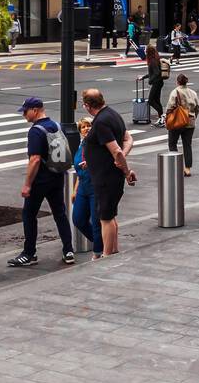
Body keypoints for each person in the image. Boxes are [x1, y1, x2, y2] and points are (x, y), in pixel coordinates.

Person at [10, 96, 75, 268]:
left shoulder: (36, 131)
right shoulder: (56, 125)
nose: (24, 115)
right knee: (60, 214)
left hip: (41, 180)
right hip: (57, 176)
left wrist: (27, 184)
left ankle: (29, 253)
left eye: (25, 111)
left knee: (29, 215)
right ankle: (68, 251)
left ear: (35, 110)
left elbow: (35, 160)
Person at [80, 88, 135, 257]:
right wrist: (92, 160)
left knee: (105, 218)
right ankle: (114, 250)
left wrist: (125, 169)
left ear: (88, 106)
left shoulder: (101, 121)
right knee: (110, 214)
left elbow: (116, 151)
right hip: (108, 174)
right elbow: (128, 140)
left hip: (106, 178)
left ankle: (106, 256)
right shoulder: (113, 114)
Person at [71, 116, 104, 260]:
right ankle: (102, 242)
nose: (86, 129)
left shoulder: (98, 143)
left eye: (89, 126)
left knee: (97, 222)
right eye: (83, 127)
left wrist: (91, 163)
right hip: (83, 187)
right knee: (78, 219)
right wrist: (75, 189)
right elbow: (79, 171)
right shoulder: (81, 145)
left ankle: (98, 252)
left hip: (95, 186)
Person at [164, 73, 199, 177]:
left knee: (172, 143)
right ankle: (187, 168)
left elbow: (170, 107)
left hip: (177, 122)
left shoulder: (175, 92)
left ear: (178, 82)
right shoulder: (193, 93)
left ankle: (176, 166)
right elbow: (198, 107)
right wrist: (193, 117)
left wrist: (167, 117)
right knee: (187, 145)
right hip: (190, 122)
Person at [146, 40, 165, 126]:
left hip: (157, 82)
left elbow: (156, 73)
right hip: (159, 82)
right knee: (157, 101)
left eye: (146, 51)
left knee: (151, 101)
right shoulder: (155, 59)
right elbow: (153, 73)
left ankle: (162, 117)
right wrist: (143, 77)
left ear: (148, 52)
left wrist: (150, 80)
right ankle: (161, 119)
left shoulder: (152, 61)